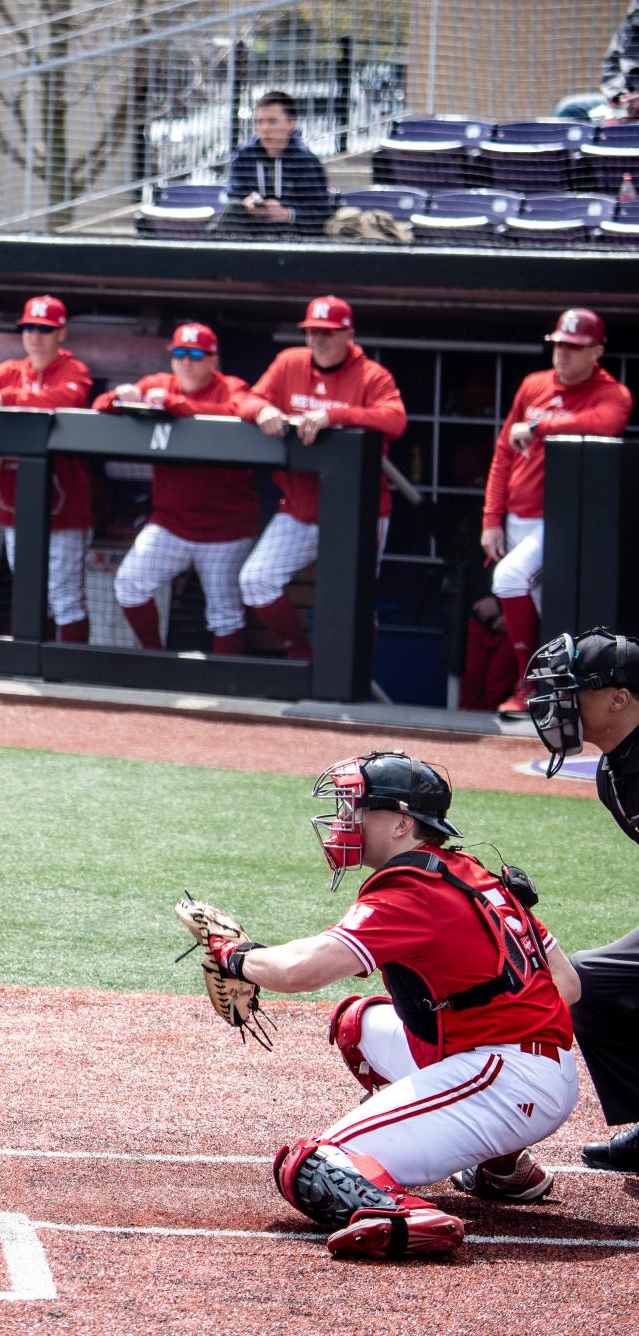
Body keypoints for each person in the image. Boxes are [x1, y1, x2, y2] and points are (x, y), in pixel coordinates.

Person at [192, 750, 580, 1259]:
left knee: (316, 1168)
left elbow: (301, 971)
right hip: (520, 1064)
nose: (343, 820)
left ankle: (412, 1218)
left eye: (356, 807)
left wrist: (236, 957)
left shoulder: (412, 891)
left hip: (506, 1078)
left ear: (400, 824)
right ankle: (500, 1165)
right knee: (359, 1024)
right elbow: (566, 984)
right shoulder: (468, 871)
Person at [524, 628, 639, 1173]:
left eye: (573, 690)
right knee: (582, 983)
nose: (557, 705)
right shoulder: (614, 774)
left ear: (620, 698)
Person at [235, 296, 407, 659]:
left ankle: (355, 677)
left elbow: (395, 420)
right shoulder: (289, 363)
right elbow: (246, 401)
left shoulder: (372, 375)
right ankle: (302, 655)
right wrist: (263, 409)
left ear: (349, 334)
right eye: (313, 331)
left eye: (329, 333)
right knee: (256, 580)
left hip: (358, 508)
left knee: (355, 598)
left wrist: (336, 414)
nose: (319, 340)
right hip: (300, 507)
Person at [482, 310, 632, 718]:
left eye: (575, 347)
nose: (563, 354)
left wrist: (540, 428)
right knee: (548, 610)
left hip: (563, 521)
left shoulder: (612, 391)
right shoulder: (534, 384)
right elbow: (503, 453)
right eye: (559, 345)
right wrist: (491, 516)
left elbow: (605, 423)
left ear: (597, 351)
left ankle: (527, 684)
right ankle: (560, 695)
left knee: (509, 578)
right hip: (517, 514)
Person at [94, 323, 260, 655]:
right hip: (172, 524)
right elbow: (99, 405)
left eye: (196, 355)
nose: (187, 361)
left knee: (225, 616)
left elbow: (238, 412)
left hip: (226, 527)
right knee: (129, 584)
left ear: (213, 360)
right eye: (180, 354)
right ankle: (155, 659)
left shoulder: (231, 387)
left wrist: (176, 405)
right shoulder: (158, 383)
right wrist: (118, 397)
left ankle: (225, 689)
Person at [0, 295, 96, 641]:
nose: (36, 336)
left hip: (64, 507)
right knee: (28, 588)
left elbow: (67, 398)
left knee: (65, 598)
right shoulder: (11, 370)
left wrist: (6, 398)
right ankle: (33, 670)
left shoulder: (74, 370)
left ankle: (71, 674)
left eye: (44, 329)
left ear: (61, 334)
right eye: (29, 328)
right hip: (16, 503)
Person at [218, 91, 332, 237]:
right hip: (251, 228)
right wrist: (247, 202)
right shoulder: (244, 155)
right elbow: (230, 196)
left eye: (272, 121)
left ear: (292, 123)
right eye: (259, 122)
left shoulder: (305, 160)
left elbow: (321, 212)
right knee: (231, 211)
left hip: (291, 233)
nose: (264, 129)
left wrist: (287, 214)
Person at [603, 3, 639, 113]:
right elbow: (611, 62)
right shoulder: (633, 18)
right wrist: (619, 97)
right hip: (625, 102)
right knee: (571, 109)